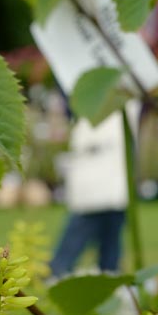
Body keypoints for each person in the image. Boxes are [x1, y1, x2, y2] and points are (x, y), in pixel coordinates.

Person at [49, 106, 133, 276]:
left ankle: (108, 277)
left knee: (109, 246)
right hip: (94, 190)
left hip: (113, 189)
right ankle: (57, 274)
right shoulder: (88, 105)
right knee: (82, 242)